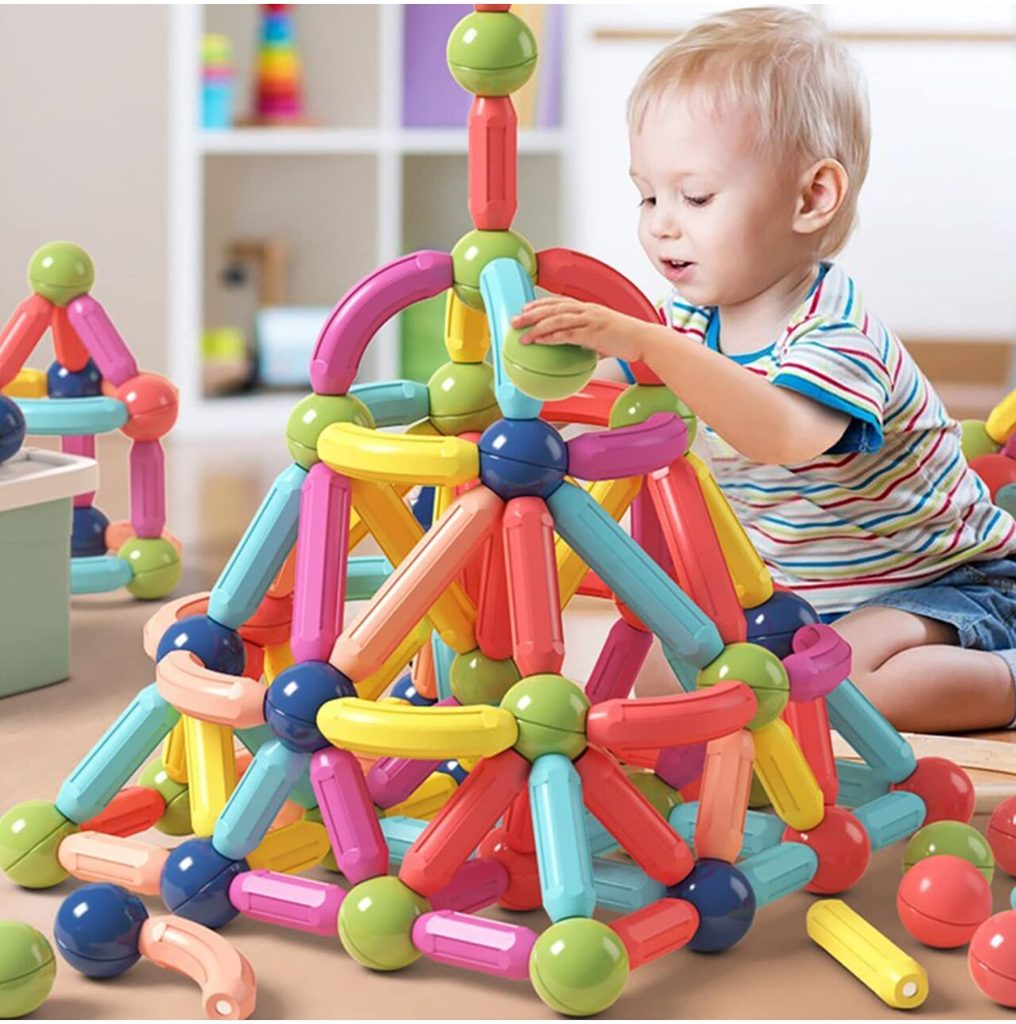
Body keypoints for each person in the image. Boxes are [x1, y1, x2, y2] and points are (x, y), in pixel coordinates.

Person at [511, 6, 1016, 733]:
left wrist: (650, 346)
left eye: (695, 196)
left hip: (942, 584)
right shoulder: (685, 325)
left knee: (846, 690)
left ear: (811, 198)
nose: (660, 222)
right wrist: (538, 381)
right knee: (652, 675)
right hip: (796, 597)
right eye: (647, 195)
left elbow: (779, 434)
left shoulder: (836, 333)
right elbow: (601, 400)